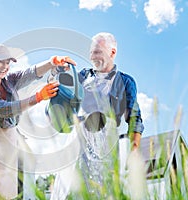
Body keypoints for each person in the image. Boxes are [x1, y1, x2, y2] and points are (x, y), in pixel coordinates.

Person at [0, 43, 76, 200]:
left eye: (7, 62)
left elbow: (30, 73)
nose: (5, 66)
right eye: (0, 61)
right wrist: (37, 97)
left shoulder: (8, 81)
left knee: (7, 196)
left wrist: (52, 62)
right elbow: (6, 109)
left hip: (9, 149)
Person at [50, 32, 144, 199]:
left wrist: (135, 149)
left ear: (112, 53)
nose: (93, 57)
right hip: (78, 142)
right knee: (71, 190)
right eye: (91, 52)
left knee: (105, 191)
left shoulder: (125, 82)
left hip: (108, 145)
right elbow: (60, 91)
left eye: (98, 52)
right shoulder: (82, 77)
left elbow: (134, 117)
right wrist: (57, 72)